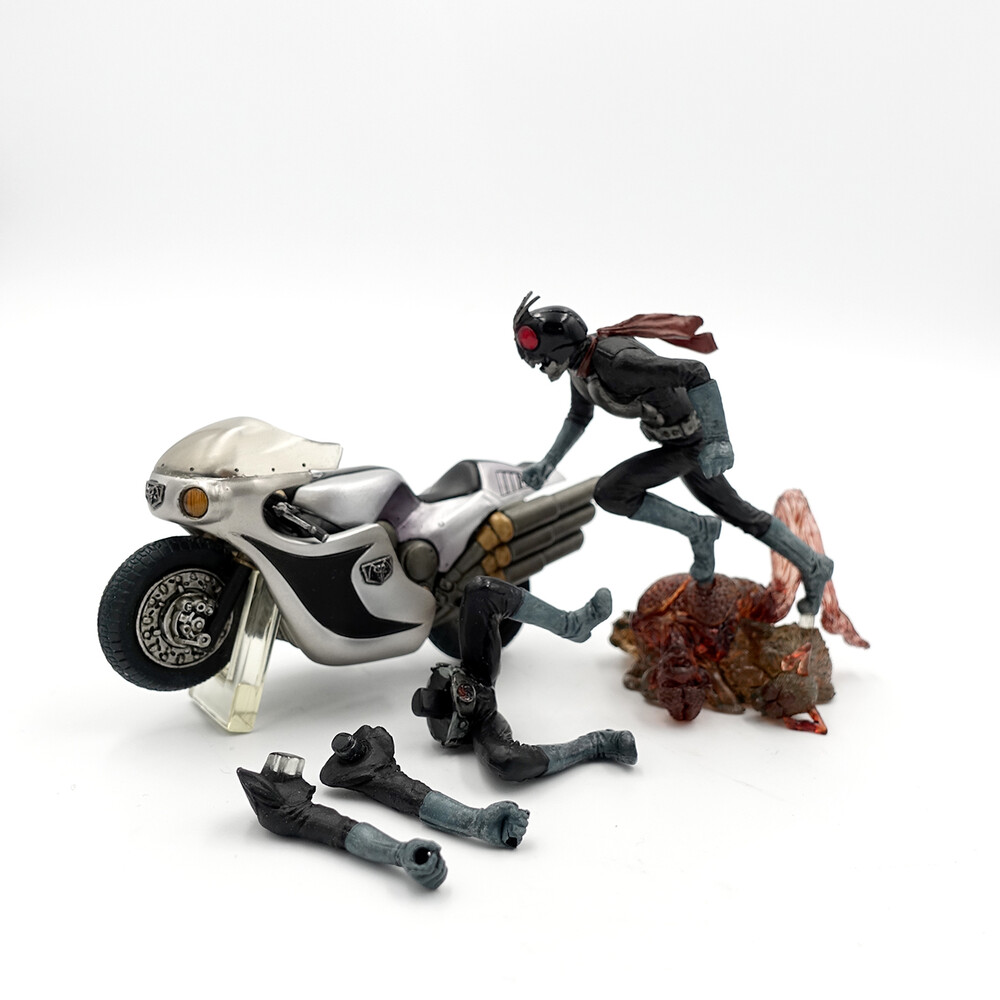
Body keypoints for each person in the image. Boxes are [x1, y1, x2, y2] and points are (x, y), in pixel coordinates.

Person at [512, 292, 833, 617]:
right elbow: (579, 416)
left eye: (541, 359)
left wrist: (719, 439)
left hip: (691, 443)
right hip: (679, 443)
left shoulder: (617, 363)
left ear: (558, 348)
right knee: (739, 512)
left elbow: (695, 371)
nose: (540, 366)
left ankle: (700, 530)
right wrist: (548, 463)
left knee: (611, 492)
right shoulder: (580, 368)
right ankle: (814, 564)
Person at [412, 576, 637, 781]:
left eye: (461, 694)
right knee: (506, 760)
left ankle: (572, 624)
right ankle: (596, 744)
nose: (468, 697)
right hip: (480, 722)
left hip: (473, 673)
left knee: (481, 591)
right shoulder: (472, 726)